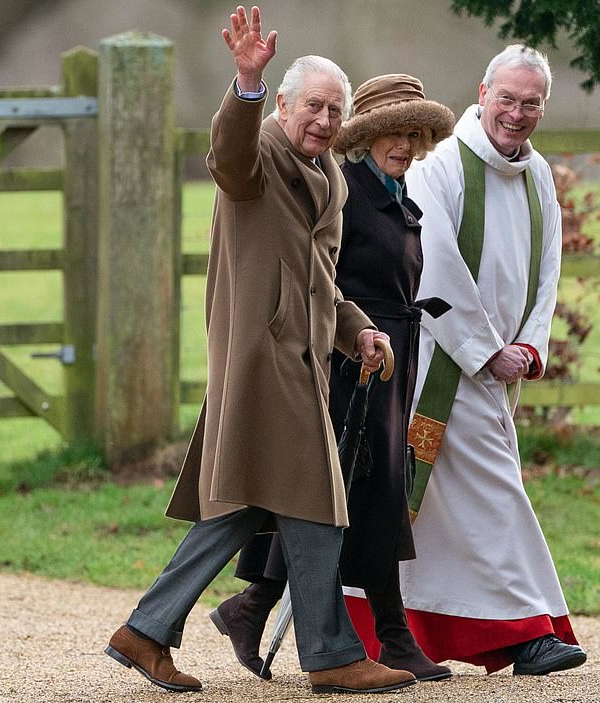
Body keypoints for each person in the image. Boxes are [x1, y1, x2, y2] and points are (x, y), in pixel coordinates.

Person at [104, 6, 416, 695]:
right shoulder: (261, 154)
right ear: (282, 104)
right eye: (314, 106)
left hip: (303, 363)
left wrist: (358, 329)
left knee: (248, 507)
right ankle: (332, 653)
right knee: (316, 504)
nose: (326, 120)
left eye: (336, 110)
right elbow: (227, 154)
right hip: (262, 363)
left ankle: (147, 630)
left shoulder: (329, 174)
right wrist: (243, 82)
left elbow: (322, 282)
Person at [344, 45, 588, 676]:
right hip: (440, 365)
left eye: (530, 102)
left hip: (500, 369)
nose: (516, 112)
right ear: (483, 93)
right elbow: (437, 267)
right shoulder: (442, 166)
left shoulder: (538, 177)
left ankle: (382, 632)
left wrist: (530, 346)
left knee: (436, 513)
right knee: (493, 492)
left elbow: (548, 269)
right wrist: (486, 352)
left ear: (543, 107)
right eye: (506, 98)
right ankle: (528, 631)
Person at [210, 74, 456, 683]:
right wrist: (349, 335)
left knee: (352, 495)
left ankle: (253, 607)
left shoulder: (386, 191)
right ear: (367, 135)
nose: (406, 143)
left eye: (416, 133)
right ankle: (379, 638)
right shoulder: (333, 183)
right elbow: (317, 273)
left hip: (386, 352)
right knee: (338, 496)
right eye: (395, 132)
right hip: (341, 363)